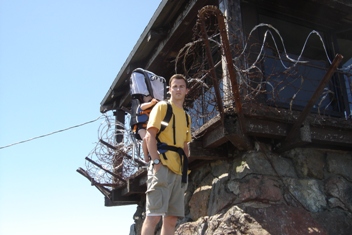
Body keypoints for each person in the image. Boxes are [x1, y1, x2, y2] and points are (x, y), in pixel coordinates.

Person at [141, 74, 191, 235]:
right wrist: (156, 162)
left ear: (186, 91)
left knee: (171, 219)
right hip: (161, 166)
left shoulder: (186, 116)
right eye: (175, 86)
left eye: (181, 86)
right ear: (169, 90)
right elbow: (150, 136)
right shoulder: (162, 107)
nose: (178, 89)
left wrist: (186, 164)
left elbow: (185, 145)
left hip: (178, 171)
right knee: (153, 216)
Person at [137, 95, 159, 162]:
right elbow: (143, 107)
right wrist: (151, 103)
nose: (149, 97)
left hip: (151, 127)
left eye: (150, 96)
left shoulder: (154, 108)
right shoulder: (141, 106)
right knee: (145, 138)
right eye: (147, 96)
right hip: (142, 127)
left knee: (154, 140)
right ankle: (146, 155)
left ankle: (153, 153)